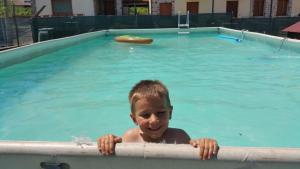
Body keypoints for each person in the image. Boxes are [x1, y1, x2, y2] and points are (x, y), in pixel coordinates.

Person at [97, 80, 218, 160]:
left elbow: (196, 155)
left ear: (170, 113)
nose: (154, 120)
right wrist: (108, 141)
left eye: (160, 113)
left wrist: (205, 143)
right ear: (134, 119)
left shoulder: (180, 137)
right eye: (145, 115)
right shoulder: (130, 138)